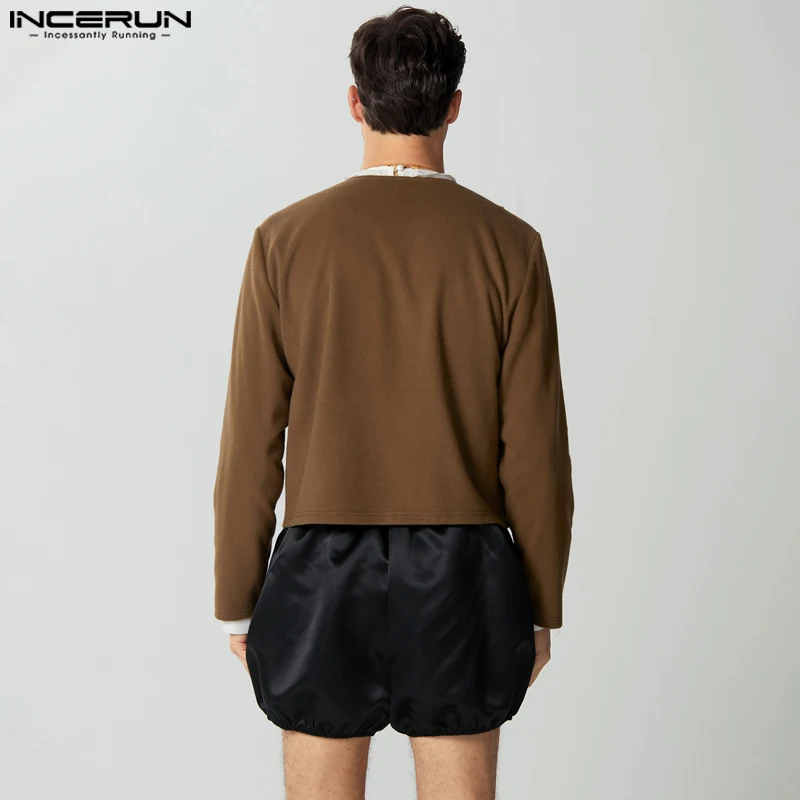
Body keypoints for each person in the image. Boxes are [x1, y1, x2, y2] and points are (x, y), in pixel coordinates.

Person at [213, 6, 574, 799]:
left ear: (355, 102)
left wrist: (236, 599)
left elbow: (250, 439)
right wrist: (541, 601)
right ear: (454, 105)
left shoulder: (284, 240)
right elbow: (536, 449)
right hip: (463, 571)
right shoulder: (511, 246)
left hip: (320, 563)